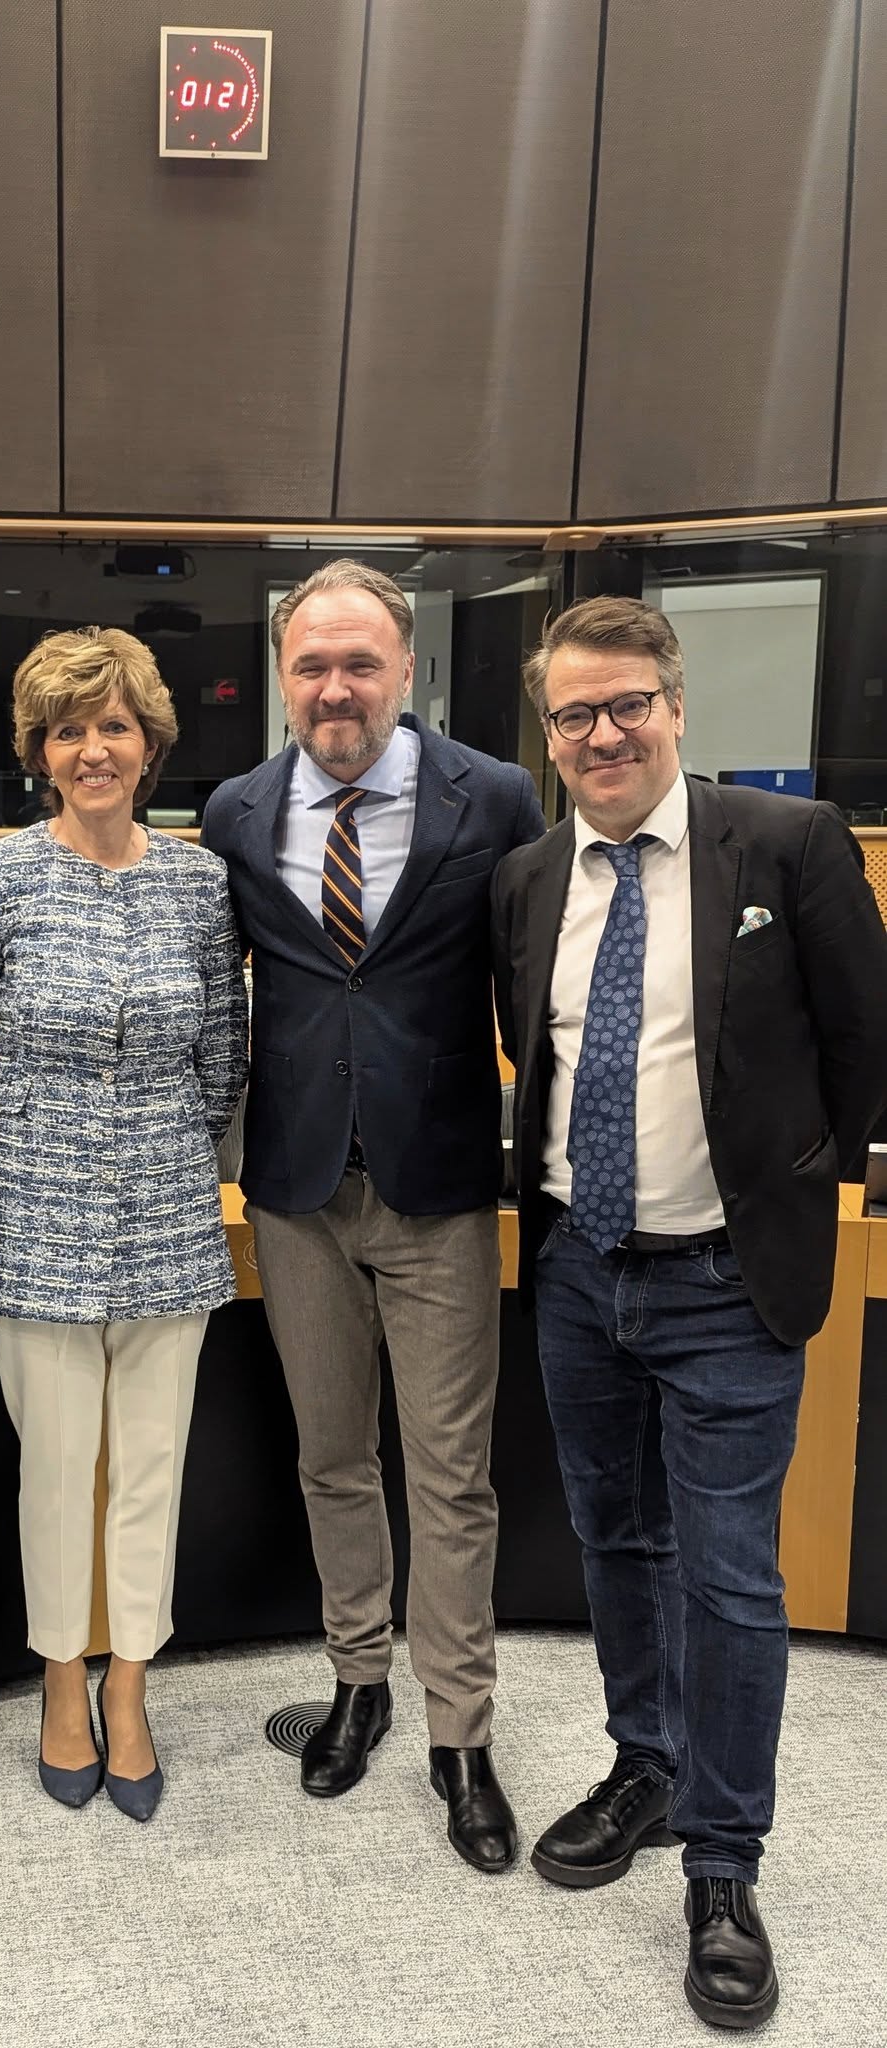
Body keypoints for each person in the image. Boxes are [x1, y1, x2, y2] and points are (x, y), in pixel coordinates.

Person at [492, 595, 887, 2029]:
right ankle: (644, 1763)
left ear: (672, 704)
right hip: (579, 1269)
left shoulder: (786, 843)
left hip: (728, 1277)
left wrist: (795, 1175)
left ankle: (723, 1864)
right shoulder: (527, 877)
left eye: (626, 705)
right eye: (573, 714)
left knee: (730, 1579)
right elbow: (529, 1049)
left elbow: (865, 1043)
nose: (602, 733)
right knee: (614, 1537)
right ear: (547, 734)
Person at [201, 559, 545, 1872]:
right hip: (295, 1190)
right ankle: (358, 1679)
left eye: (359, 662)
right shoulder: (237, 810)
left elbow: (531, 991)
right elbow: (217, 994)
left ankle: (461, 1734)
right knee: (332, 1455)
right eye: (312, 664)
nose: (335, 687)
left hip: (440, 1187)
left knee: (452, 1474)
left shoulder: (494, 796)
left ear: (406, 668)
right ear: (283, 675)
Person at [0, 626, 247, 1822]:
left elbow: (222, 1055)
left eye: (113, 725)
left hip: (170, 1212)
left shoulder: (200, 883)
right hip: (34, 1220)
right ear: (40, 750)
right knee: (57, 1471)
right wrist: (9, 1163)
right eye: (67, 729)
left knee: (152, 1470)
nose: (92, 749)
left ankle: (131, 1682)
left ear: (149, 741)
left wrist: (171, 1152)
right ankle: (61, 1679)